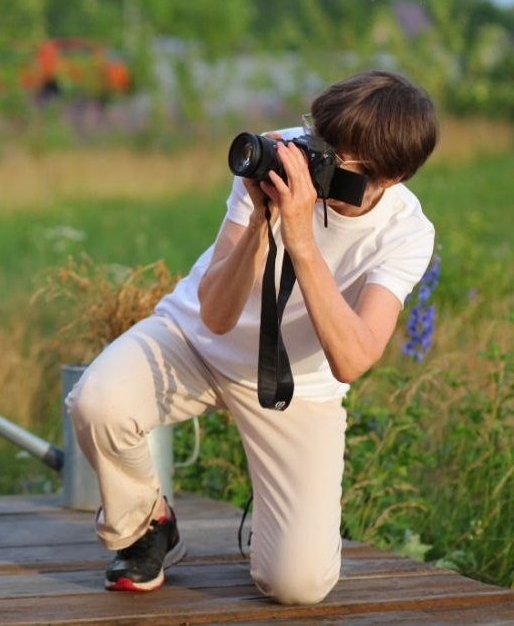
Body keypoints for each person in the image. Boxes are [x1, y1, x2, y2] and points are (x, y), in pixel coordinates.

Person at [66, 70, 438, 604]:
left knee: (299, 586)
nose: (314, 159)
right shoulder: (282, 156)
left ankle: (282, 538)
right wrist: (263, 222)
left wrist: (302, 239)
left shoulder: (406, 233)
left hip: (296, 385)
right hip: (193, 342)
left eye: (337, 156)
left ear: (391, 177)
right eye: (319, 138)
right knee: (98, 402)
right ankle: (146, 527)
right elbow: (214, 315)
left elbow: (354, 359)